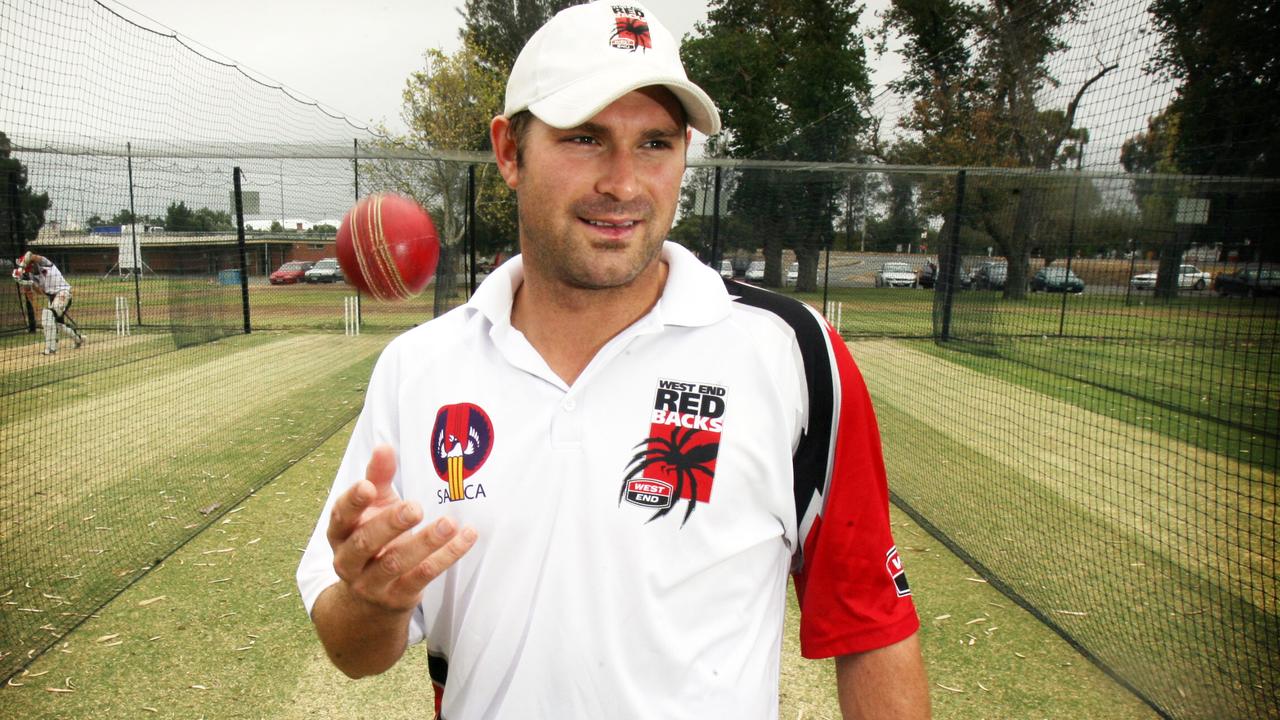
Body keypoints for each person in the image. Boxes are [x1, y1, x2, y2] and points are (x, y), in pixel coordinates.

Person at [297, 3, 930, 718]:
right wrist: (372, 600)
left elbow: (870, 626)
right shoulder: (419, 369)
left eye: (656, 143)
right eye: (585, 138)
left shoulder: (791, 352)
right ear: (510, 151)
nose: (624, 184)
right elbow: (354, 653)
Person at [13, 251, 84, 355]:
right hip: (52, 298)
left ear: (33, 263)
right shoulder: (30, 275)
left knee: (47, 314)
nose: (31, 271)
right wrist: (30, 284)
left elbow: (29, 255)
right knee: (58, 324)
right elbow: (38, 292)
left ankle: (51, 349)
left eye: (31, 268)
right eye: (28, 270)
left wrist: (21, 267)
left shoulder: (44, 263)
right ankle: (78, 339)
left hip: (63, 293)